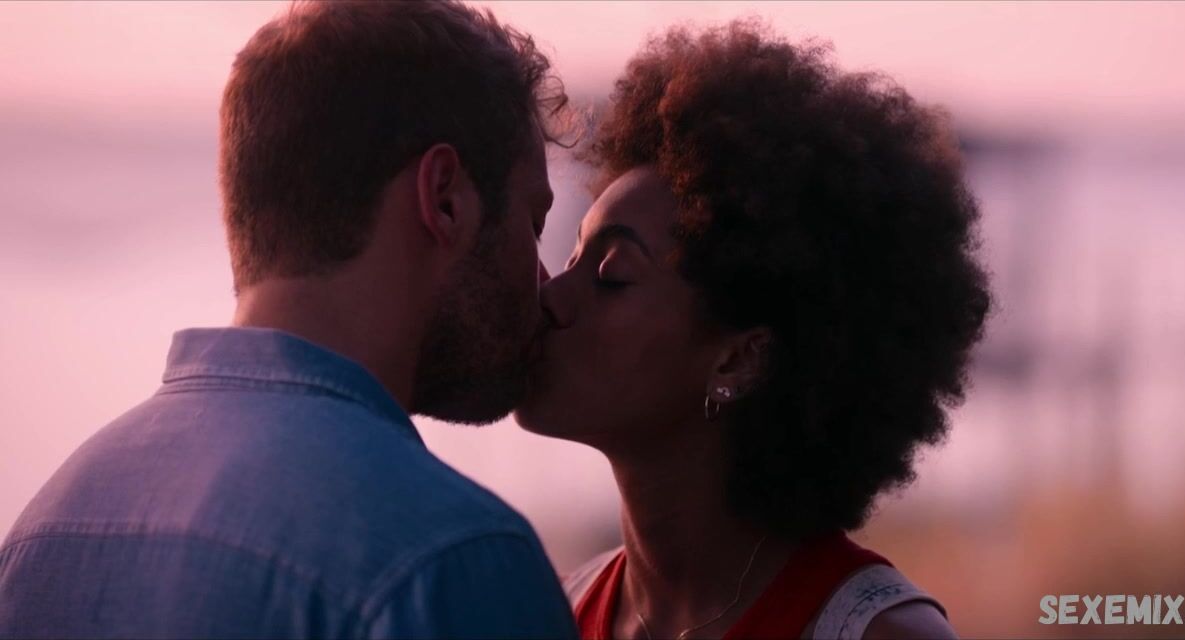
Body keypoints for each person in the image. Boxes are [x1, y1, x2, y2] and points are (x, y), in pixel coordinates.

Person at [0, 2, 577, 638]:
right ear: (444, 199)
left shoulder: (41, 535)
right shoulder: (452, 562)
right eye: (535, 223)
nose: (547, 283)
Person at [515, 19, 991, 640]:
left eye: (612, 274)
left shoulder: (876, 634)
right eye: (574, 255)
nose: (551, 295)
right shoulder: (556, 614)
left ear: (738, 360)